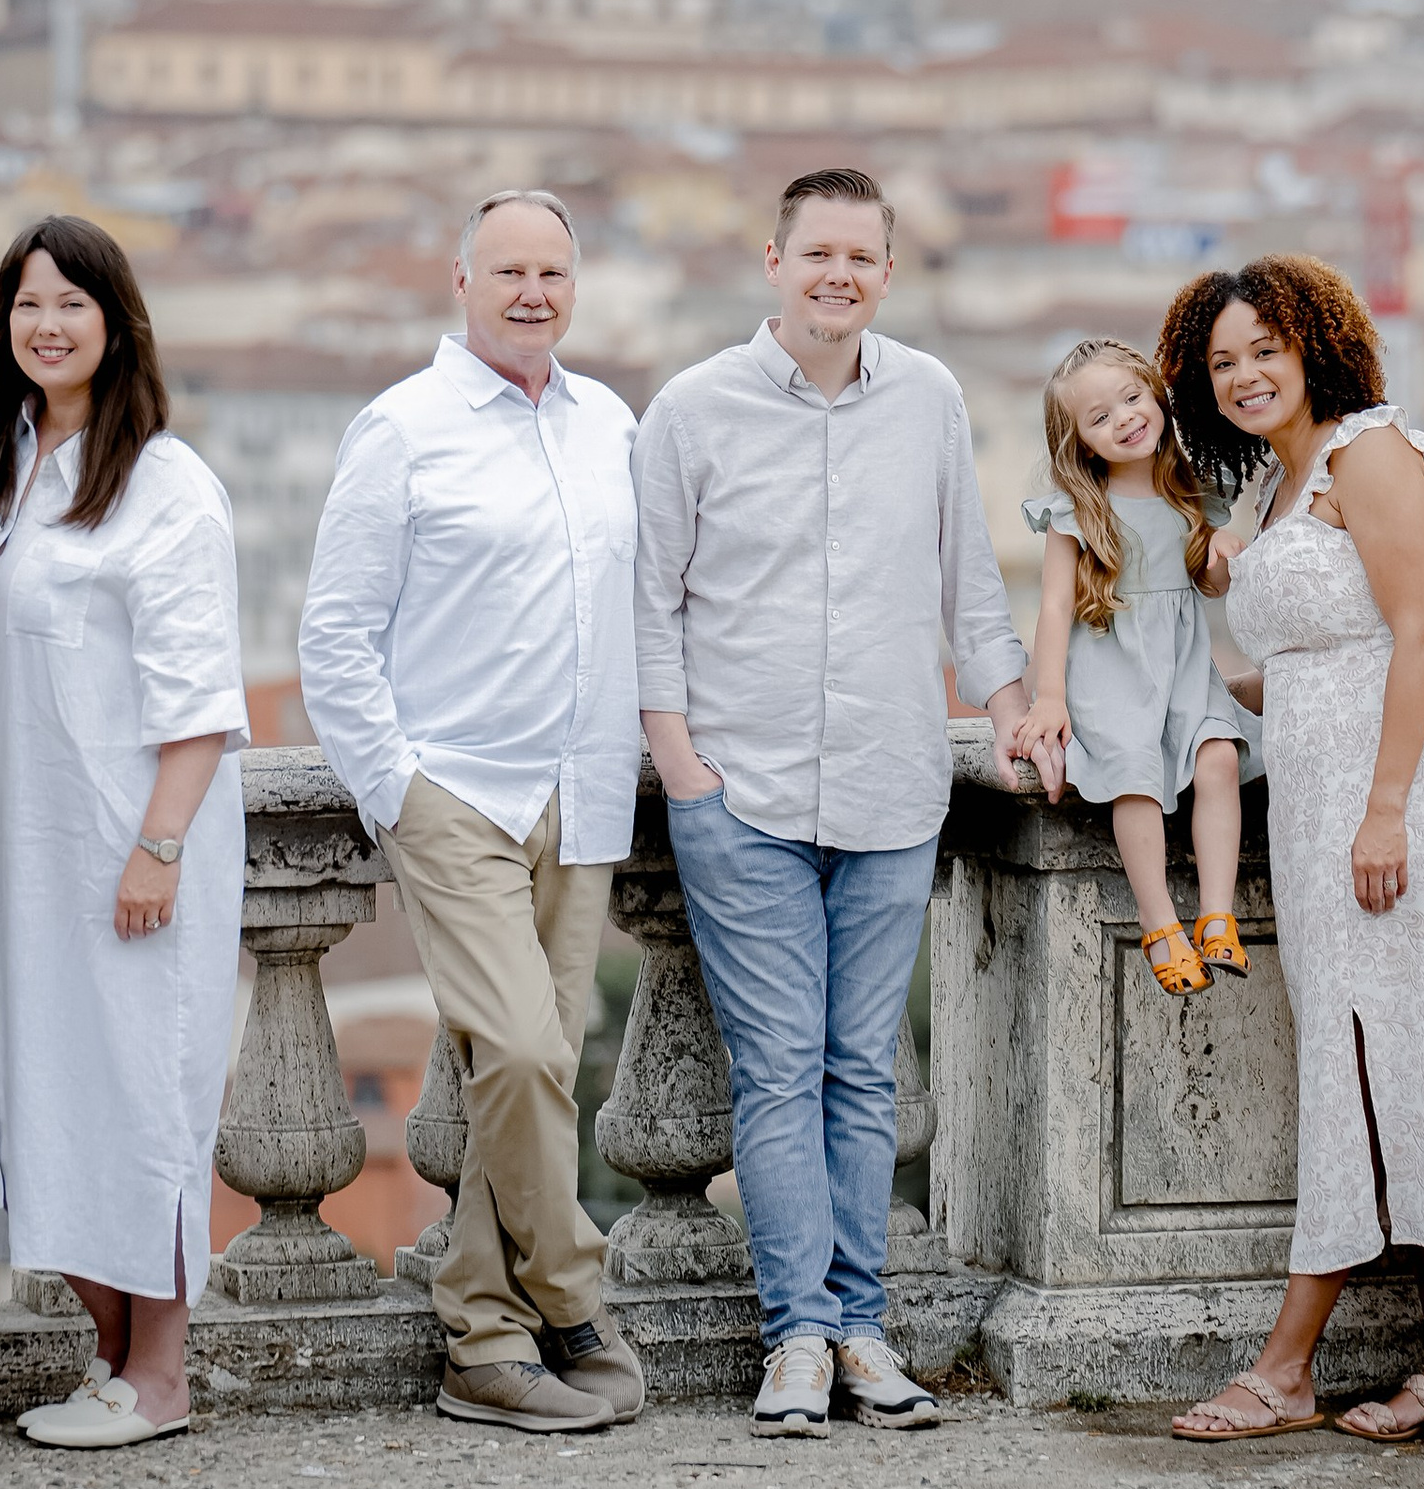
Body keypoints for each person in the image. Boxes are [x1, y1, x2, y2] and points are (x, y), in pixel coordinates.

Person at [633, 166, 1034, 1439]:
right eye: (818, 253)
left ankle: (863, 1333)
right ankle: (795, 1339)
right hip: (738, 792)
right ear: (773, 259)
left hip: (892, 783)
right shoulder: (690, 410)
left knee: (861, 1070)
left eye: (861, 256)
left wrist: (1016, 703)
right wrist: (684, 770)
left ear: (887, 272)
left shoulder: (927, 396)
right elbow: (647, 606)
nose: (838, 275)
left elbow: (969, 579)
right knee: (775, 1071)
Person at [1158, 256, 1424, 1447]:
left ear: (1314, 342)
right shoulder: (1277, 484)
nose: (1244, 374)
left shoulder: (1372, 451)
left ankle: (1285, 1364)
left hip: (1403, 794)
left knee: (1397, 1055)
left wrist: (1385, 808)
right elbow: (1304, 667)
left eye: (1263, 347)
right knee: (1384, 1055)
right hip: (1318, 800)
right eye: (1220, 362)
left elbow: (1421, 632)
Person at [0, 216, 248, 1453]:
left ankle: (160, 1375)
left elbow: (205, 701)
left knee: (136, 1101)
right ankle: (109, 1359)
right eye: (26, 303)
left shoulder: (165, 483)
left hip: (122, 855)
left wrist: (156, 849)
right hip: (9, 860)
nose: (47, 324)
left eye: (72, 303)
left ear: (117, 322)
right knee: (43, 1106)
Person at [299, 190, 647, 1435]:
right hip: (457, 789)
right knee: (524, 1050)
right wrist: (397, 787)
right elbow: (332, 635)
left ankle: (480, 1338)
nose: (533, 291)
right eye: (508, 269)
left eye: (552, 270)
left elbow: (646, 603)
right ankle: (573, 1296)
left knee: (523, 1074)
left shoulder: (611, 421)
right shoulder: (403, 427)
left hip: (583, 786)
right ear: (462, 281)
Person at [1009, 337, 1260, 996]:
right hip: (1111, 671)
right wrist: (1050, 696)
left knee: (1220, 759)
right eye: (1099, 417)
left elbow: (1208, 589)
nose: (1123, 418)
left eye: (1130, 397)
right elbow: (1056, 608)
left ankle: (1215, 915)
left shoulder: (1189, 493)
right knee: (1136, 776)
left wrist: (1220, 557)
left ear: (1155, 395)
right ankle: (1160, 926)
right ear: (1082, 443)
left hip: (1181, 670)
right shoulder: (1078, 513)